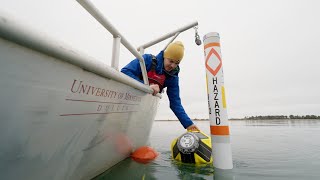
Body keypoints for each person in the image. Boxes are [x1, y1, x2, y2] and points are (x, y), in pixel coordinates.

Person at [121, 41, 199, 131]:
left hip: (143, 108)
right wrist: (146, 86)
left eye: (177, 63)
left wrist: (189, 125)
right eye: (171, 61)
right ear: (165, 56)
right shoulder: (147, 59)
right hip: (126, 99)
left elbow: (175, 103)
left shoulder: (173, 76)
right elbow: (125, 72)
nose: (173, 65)